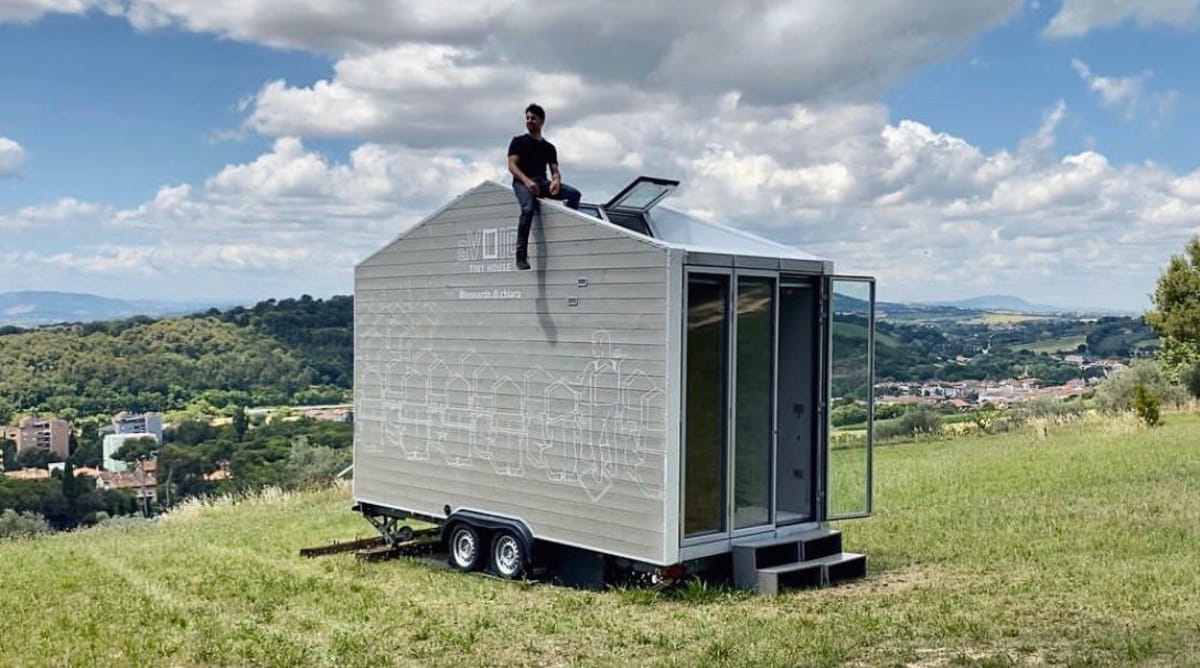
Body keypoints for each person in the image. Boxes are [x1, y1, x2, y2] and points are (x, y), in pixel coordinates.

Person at [507, 103, 581, 270]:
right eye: (527, 118)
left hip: (542, 182)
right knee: (528, 209)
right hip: (521, 182)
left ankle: (567, 231)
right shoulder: (518, 141)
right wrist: (527, 181)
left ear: (541, 121)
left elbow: (555, 171)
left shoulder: (549, 147)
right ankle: (521, 256)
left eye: (533, 118)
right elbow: (512, 166)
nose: (529, 121)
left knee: (574, 194)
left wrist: (556, 181)